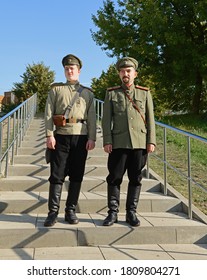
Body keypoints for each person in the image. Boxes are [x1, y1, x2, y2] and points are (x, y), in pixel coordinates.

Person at [102, 57, 156, 227]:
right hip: (118, 143)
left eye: (128, 71)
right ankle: (112, 213)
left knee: (135, 178)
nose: (125, 74)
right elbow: (106, 120)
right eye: (122, 71)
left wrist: (151, 141)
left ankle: (131, 213)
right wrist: (107, 140)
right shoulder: (112, 93)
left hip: (139, 143)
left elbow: (150, 119)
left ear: (135, 74)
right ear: (119, 74)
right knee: (114, 178)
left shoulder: (144, 93)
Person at [44, 54, 96, 227]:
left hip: (80, 137)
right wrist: (49, 135)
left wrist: (92, 137)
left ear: (79, 71)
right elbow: (49, 114)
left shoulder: (87, 93)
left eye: (72, 68)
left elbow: (91, 117)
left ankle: (70, 210)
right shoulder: (56, 90)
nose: (69, 71)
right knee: (56, 175)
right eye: (67, 68)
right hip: (61, 136)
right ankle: (52, 212)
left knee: (76, 175)